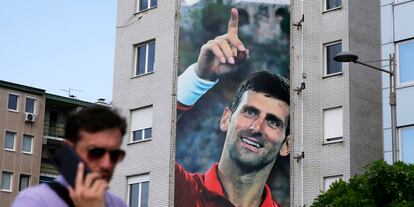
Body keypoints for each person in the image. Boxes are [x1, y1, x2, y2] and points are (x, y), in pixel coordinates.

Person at [175, 8, 291, 207]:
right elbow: (137, 143)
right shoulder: (179, 191)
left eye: (272, 121)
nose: (256, 128)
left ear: (287, 145)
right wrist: (199, 78)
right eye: (250, 111)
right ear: (225, 119)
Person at [12, 106, 128, 207]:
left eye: (114, 155)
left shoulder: (118, 204)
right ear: (70, 150)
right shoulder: (35, 201)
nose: (106, 164)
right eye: (96, 152)